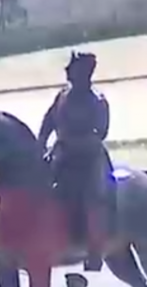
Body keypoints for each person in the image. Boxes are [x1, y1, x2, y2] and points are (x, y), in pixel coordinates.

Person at [37, 51, 111, 271]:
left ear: (85, 72)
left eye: (72, 66)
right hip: (62, 153)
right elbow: (49, 119)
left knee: (91, 198)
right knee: (38, 186)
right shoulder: (62, 95)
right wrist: (41, 143)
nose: (67, 70)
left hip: (89, 159)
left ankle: (95, 250)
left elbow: (101, 132)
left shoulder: (97, 101)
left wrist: (72, 141)